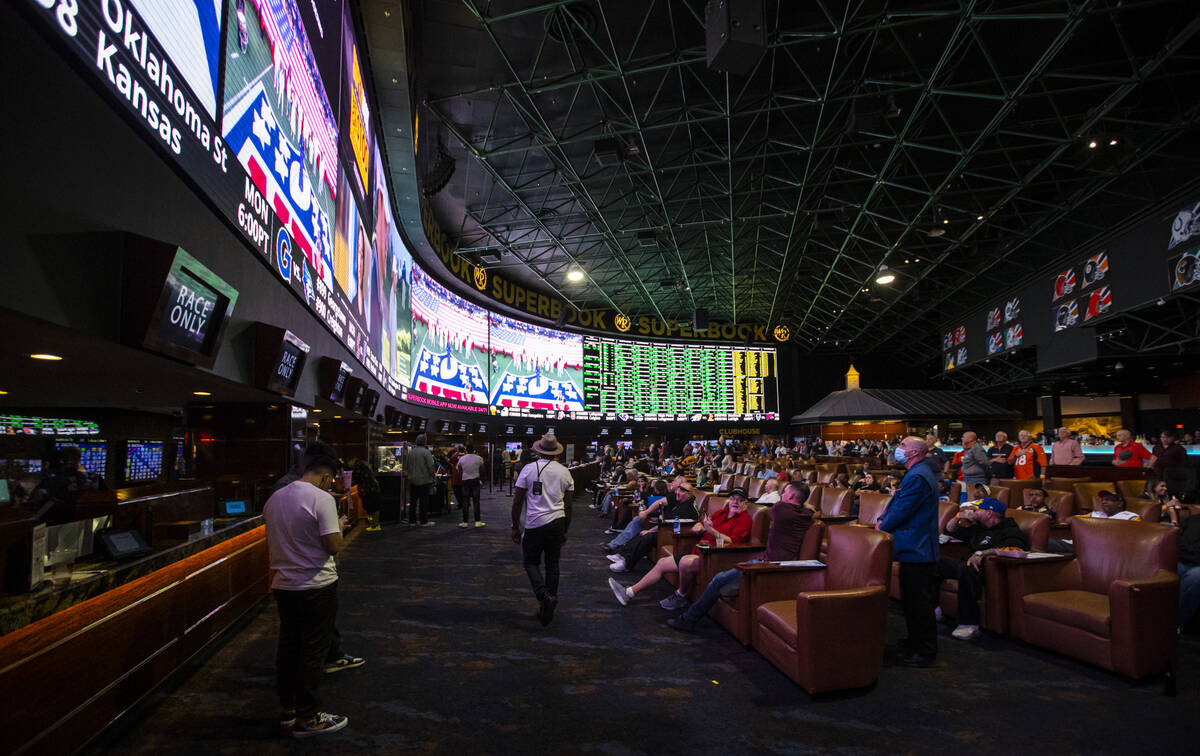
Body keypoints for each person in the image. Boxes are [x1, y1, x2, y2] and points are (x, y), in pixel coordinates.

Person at [262, 454, 351, 737]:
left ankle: (288, 709)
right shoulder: (321, 499)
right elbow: (333, 546)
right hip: (316, 584)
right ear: (325, 476)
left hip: (283, 585)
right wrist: (340, 525)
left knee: (288, 647)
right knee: (313, 650)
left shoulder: (275, 498)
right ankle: (309, 716)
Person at [667, 481, 815, 632]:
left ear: (790, 496)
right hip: (774, 561)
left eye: (784, 492)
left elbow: (768, 510)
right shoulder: (806, 515)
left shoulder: (781, 510)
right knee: (724, 580)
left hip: (769, 564)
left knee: (718, 579)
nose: (782, 495)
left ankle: (688, 619)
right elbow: (812, 510)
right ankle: (733, 586)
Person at [609, 488, 752, 610]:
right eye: (733, 499)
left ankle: (681, 595)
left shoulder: (745, 520)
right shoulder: (721, 513)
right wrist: (700, 526)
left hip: (715, 557)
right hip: (698, 550)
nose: (735, 502)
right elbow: (702, 524)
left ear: (746, 503)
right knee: (662, 563)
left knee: (684, 562)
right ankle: (629, 592)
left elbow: (733, 541)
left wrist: (712, 531)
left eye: (739, 500)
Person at [877, 436, 940, 667]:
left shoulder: (918, 476)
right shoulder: (916, 473)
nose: (898, 449)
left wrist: (883, 524)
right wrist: (884, 517)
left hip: (918, 549)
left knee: (919, 604)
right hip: (912, 548)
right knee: (911, 602)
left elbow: (903, 508)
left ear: (914, 453)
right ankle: (914, 642)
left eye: (903, 446)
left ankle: (924, 651)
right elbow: (897, 504)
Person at [941, 497, 1030, 640]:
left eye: (978, 509)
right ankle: (935, 608)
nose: (974, 511)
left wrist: (982, 553)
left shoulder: (1010, 530)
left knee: (967, 568)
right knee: (934, 561)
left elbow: (1015, 548)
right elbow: (949, 530)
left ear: (989, 513)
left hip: (988, 571)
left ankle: (969, 623)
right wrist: (959, 516)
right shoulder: (978, 528)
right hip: (966, 566)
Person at [512, 434, 575, 626]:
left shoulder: (528, 469)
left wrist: (515, 527)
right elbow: (568, 505)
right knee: (552, 565)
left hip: (534, 524)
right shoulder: (565, 471)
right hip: (557, 522)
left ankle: (543, 596)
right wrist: (565, 529)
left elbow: (517, 501)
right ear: (556, 452)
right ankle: (549, 603)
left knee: (530, 562)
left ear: (538, 450)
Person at [607, 482, 699, 574]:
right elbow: (661, 508)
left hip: (675, 535)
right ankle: (622, 555)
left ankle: (626, 564)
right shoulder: (679, 498)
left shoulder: (688, 509)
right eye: (678, 488)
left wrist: (651, 531)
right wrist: (649, 524)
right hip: (666, 528)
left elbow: (670, 525)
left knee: (648, 537)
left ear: (689, 494)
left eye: (682, 490)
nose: (678, 492)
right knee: (643, 532)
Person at [27, 446, 99, 524]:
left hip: (55, 528)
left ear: (60, 461)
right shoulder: (94, 480)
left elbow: (31, 509)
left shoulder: (50, 483)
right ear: (78, 460)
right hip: (89, 526)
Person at [406, 435, 437, 527]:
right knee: (423, 502)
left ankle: (412, 521)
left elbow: (407, 467)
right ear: (425, 442)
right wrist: (434, 478)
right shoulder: (426, 452)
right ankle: (423, 521)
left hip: (412, 481)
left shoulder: (410, 452)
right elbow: (431, 467)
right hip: (424, 481)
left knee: (413, 502)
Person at [456, 444, 485, 528]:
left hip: (465, 481)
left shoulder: (462, 458)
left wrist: (464, 474)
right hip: (475, 480)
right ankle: (477, 521)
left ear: (466, 450)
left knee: (465, 502)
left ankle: (465, 522)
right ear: (473, 450)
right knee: (476, 501)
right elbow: (483, 469)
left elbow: (459, 469)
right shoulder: (478, 458)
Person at [351, 459, 382, 532]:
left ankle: (374, 525)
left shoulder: (358, 466)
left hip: (367, 490)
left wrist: (347, 485)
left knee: (370, 509)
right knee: (374, 508)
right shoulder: (364, 463)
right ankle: (375, 525)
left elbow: (355, 479)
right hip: (373, 489)